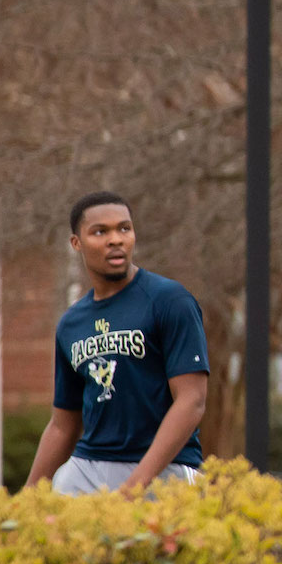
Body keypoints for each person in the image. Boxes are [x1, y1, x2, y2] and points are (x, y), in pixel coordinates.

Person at [25, 192, 210, 495]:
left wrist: (134, 486)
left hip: (164, 468)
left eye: (124, 228)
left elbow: (192, 401)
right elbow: (63, 425)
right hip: (88, 468)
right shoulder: (72, 323)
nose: (116, 239)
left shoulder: (169, 301)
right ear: (77, 243)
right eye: (101, 232)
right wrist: (26, 500)